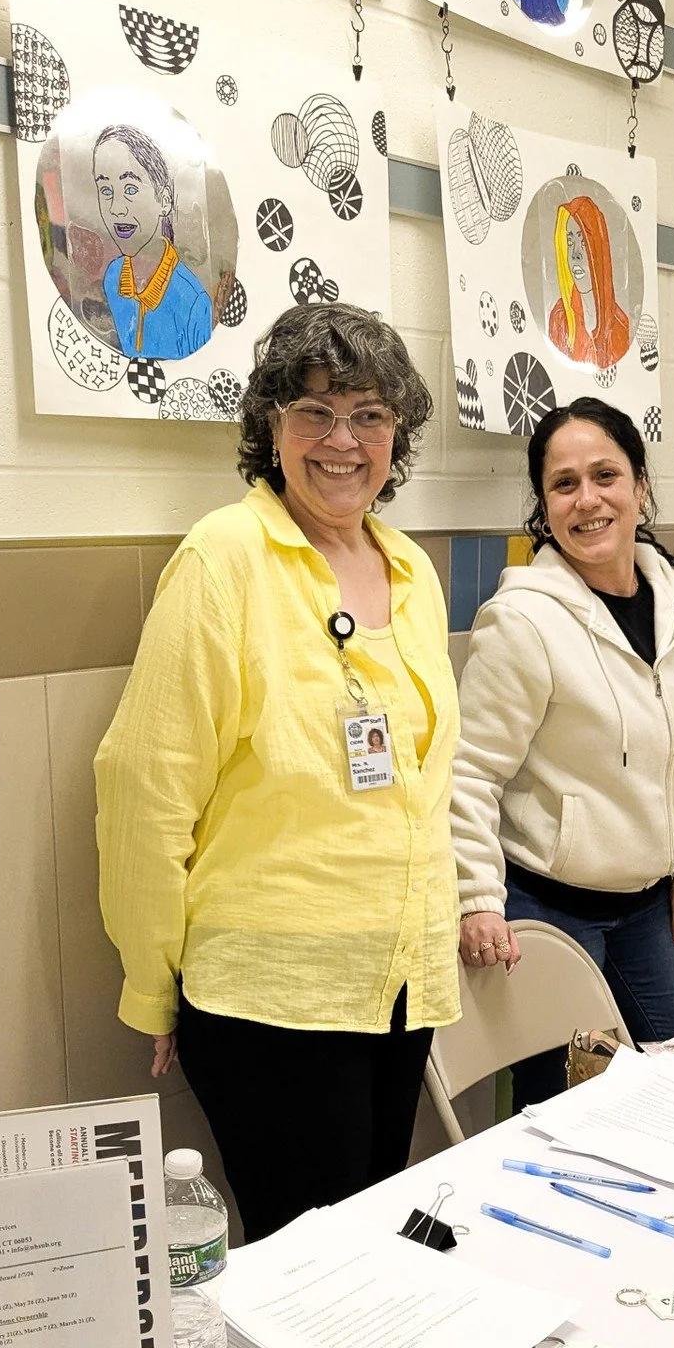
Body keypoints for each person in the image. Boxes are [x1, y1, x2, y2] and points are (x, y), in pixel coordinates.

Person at [95, 303, 456, 1238]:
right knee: (311, 1272)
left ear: (398, 435)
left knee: (369, 1248)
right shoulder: (225, 559)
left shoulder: (410, 569)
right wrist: (153, 983)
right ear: (271, 427)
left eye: (370, 414)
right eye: (314, 412)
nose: (343, 441)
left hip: (394, 990)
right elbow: (144, 787)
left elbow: (424, 791)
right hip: (270, 1003)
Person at [451, 397, 674, 1104]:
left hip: (649, 906)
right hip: (551, 909)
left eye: (606, 475)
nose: (588, 499)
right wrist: (478, 899)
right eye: (564, 484)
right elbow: (467, 773)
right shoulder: (522, 622)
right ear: (545, 505)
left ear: (641, 486)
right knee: (575, 1108)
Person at [92, 122, 213, 359]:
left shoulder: (194, 304)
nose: (117, 209)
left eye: (130, 189)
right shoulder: (113, 277)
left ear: (164, 200)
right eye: (106, 190)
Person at [547, 198, 630, 370]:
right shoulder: (559, 318)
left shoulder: (620, 327)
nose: (575, 255)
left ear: (598, 250)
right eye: (570, 243)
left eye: (584, 242)